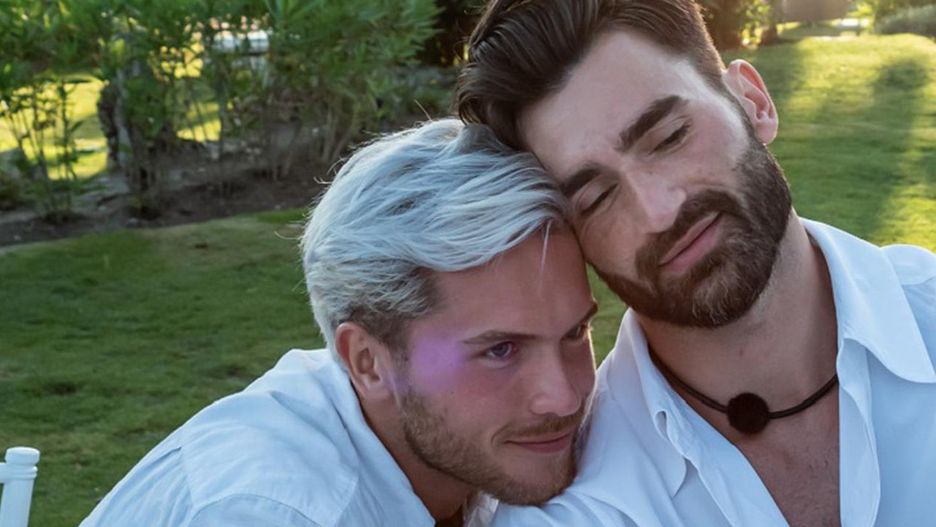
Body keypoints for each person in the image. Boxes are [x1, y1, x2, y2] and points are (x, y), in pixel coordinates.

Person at [455, 1, 936, 526]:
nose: (658, 212)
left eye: (669, 137)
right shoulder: (577, 512)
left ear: (753, 101)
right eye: (596, 197)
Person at [79, 119, 599, 527]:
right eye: (501, 350)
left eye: (576, 333)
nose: (564, 398)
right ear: (367, 362)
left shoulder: (462, 452)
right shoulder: (273, 513)